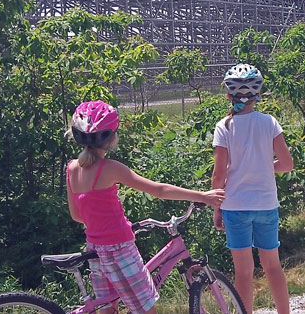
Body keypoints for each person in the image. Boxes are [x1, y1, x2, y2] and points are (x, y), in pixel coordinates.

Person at [66, 100, 225, 314]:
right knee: (146, 310)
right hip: (120, 249)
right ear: (112, 138)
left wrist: (102, 224)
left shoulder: (72, 168)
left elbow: (77, 215)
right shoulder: (111, 168)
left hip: (94, 249)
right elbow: (159, 190)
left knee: (107, 309)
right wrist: (203, 196)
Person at [211, 64, 294, 314]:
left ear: (229, 96)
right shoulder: (269, 122)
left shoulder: (223, 126)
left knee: (243, 272)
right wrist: (266, 167)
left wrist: (217, 208)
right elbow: (287, 164)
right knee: (273, 266)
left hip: (235, 207)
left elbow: (219, 174)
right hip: (266, 204)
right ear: (258, 95)